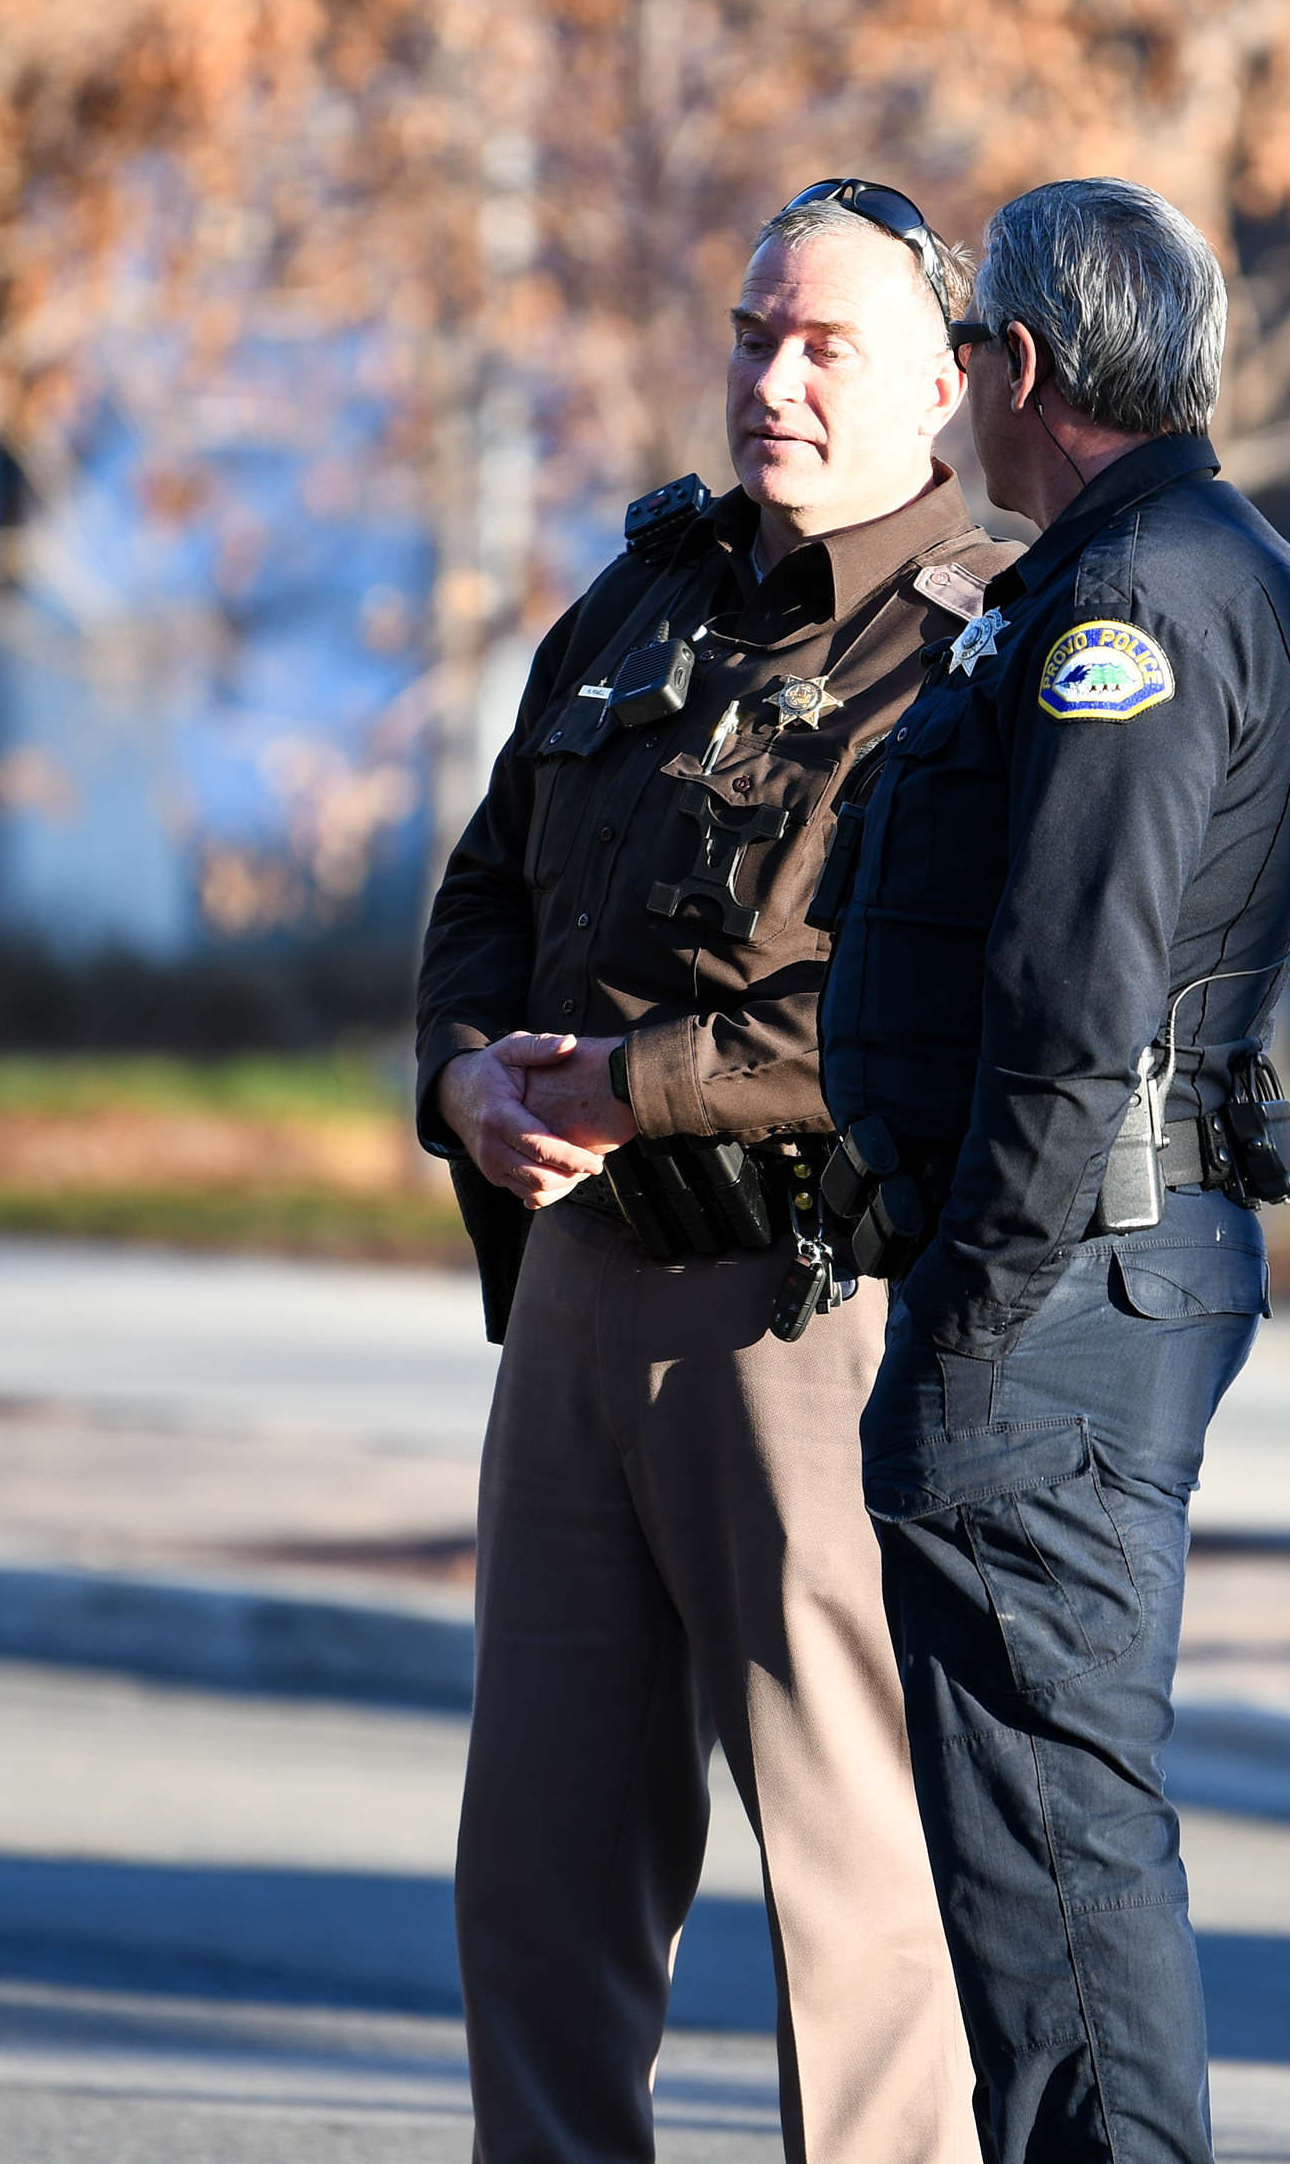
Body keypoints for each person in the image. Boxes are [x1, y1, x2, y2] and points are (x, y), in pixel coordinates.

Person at [416, 179, 1016, 2164]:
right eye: (757, 334)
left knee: (852, 1878)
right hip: (578, 1290)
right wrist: (464, 1076)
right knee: (543, 1861)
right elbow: (491, 879)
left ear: (943, 384)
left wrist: (645, 1078)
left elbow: (915, 1013)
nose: (774, 376)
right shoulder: (644, 597)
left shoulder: (981, 650)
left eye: (825, 344)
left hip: (801, 1315)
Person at [813, 177, 1290, 2163]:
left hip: (1064, 1292)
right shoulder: (1196, 562)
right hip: (1105, 1268)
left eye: (964, 362)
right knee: (1047, 1843)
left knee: (1051, 1853)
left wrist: (960, 1324)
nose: (954, 404)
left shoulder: (1127, 609)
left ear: (1020, 365)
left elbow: (1068, 1000)